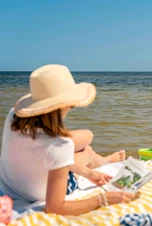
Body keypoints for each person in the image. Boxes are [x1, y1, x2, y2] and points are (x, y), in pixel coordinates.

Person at [0, 64, 135, 215]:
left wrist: (87, 173)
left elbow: (43, 156)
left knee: (79, 151)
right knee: (87, 151)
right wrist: (102, 199)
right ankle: (104, 160)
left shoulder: (14, 116)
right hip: (39, 193)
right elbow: (55, 208)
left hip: (9, 187)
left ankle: (100, 162)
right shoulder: (59, 145)